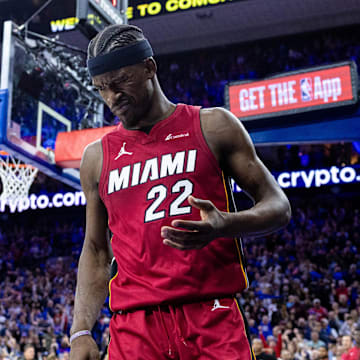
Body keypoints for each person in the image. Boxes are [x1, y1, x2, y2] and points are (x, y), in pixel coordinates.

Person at [69, 24, 291, 360]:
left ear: (149, 67)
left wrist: (225, 224)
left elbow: (279, 206)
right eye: (102, 88)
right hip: (135, 326)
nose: (112, 97)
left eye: (120, 82)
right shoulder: (96, 158)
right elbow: (97, 250)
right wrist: (81, 331)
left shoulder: (214, 126)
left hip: (210, 316)